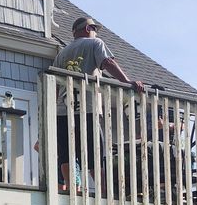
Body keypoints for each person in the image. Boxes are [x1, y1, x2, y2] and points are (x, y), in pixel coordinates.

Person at [52, 16, 145, 191]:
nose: (95, 32)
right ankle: (103, 194)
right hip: (86, 109)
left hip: (63, 111)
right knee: (95, 153)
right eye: (94, 29)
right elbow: (107, 62)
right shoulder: (95, 44)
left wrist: (53, 108)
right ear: (88, 29)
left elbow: (56, 86)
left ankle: (72, 190)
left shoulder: (62, 54)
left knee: (66, 153)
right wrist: (127, 82)